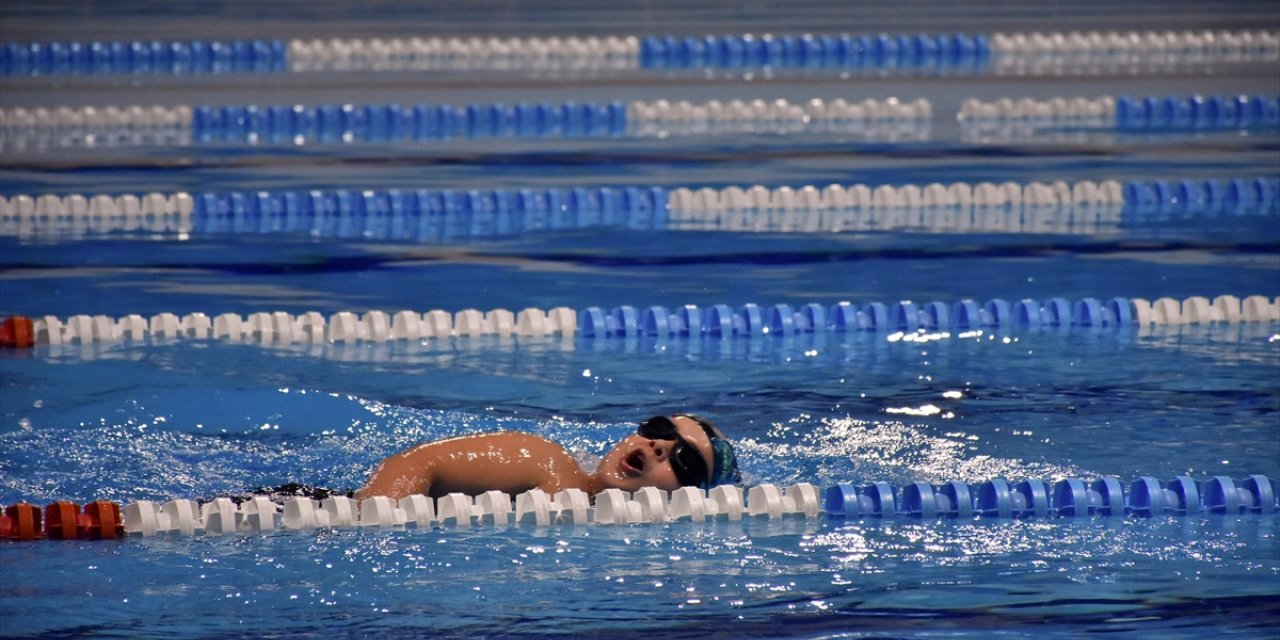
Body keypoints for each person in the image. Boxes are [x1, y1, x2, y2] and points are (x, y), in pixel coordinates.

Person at [355, 414, 740, 500]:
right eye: (660, 429)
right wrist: (375, 524)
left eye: (684, 461)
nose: (659, 446)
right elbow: (414, 463)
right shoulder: (546, 462)